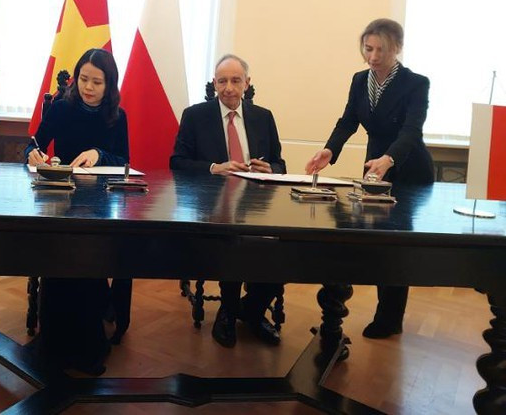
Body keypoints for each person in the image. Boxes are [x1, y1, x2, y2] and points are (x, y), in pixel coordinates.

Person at [305, 18, 434, 339]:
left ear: (397, 49)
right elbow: (348, 120)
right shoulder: (359, 79)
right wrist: (328, 151)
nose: (373, 56)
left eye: (381, 50)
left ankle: (390, 319)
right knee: (375, 241)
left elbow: (411, 130)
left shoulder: (416, 83)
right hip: (375, 164)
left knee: (396, 247)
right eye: (368, 48)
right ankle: (344, 311)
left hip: (407, 166)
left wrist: (390, 158)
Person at [170, 54, 286, 348]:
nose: (229, 88)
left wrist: (270, 169)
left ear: (247, 83)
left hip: (257, 204)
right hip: (212, 205)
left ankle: (251, 310)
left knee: (283, 247)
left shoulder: (264, 117)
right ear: (214, 84)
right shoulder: (195, 116)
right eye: (222, 81)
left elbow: (280, 164)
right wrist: (213, 167)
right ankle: (228, 311)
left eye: (236, 81)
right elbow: (177, 162)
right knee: (232, 241)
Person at [25, 48, 129, 374]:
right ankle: (54, 343)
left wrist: (99, 154)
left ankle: (87, 344)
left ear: (108, 85)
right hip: (61, 199)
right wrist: (34, 154)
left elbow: (125, 161)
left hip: (100, 202)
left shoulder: (117, 115)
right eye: (84, 79)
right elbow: (34, 143)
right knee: (60, 255)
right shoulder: (60, 108)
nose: (88, 87)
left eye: (97, 82)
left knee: (88, 256)